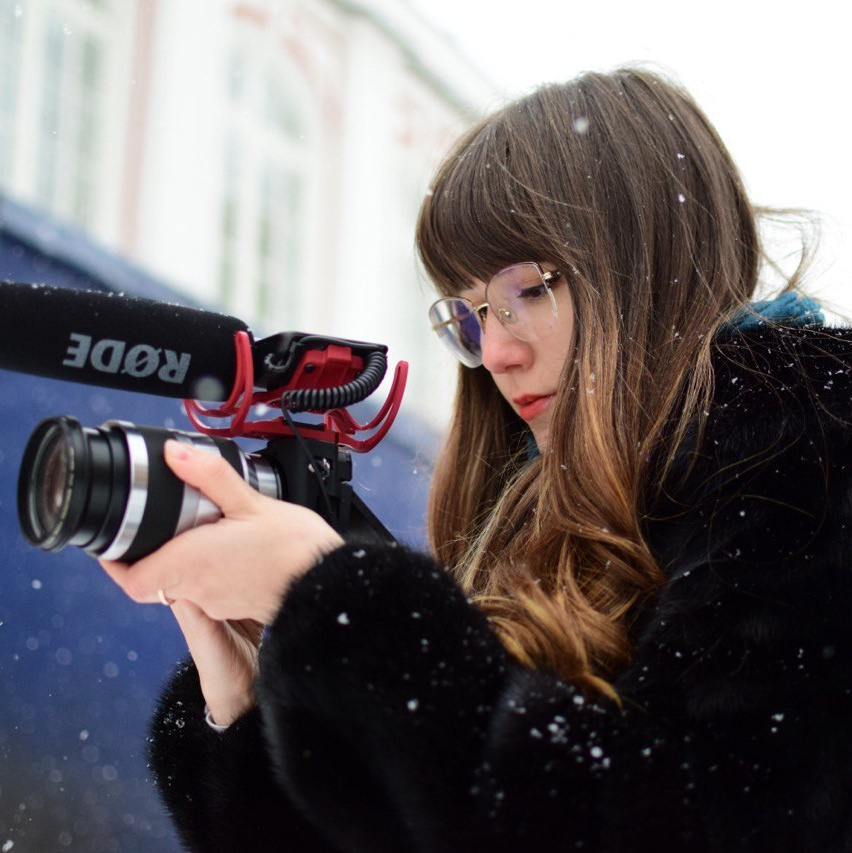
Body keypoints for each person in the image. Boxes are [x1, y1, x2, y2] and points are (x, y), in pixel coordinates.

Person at [99, 66, 852, 851]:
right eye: (469, 315)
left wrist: (338, 613)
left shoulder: (815, 453)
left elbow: (711, 821)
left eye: (530, 288)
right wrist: (254, 707)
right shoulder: (535, 524)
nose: (493, 350)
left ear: (649, 266)